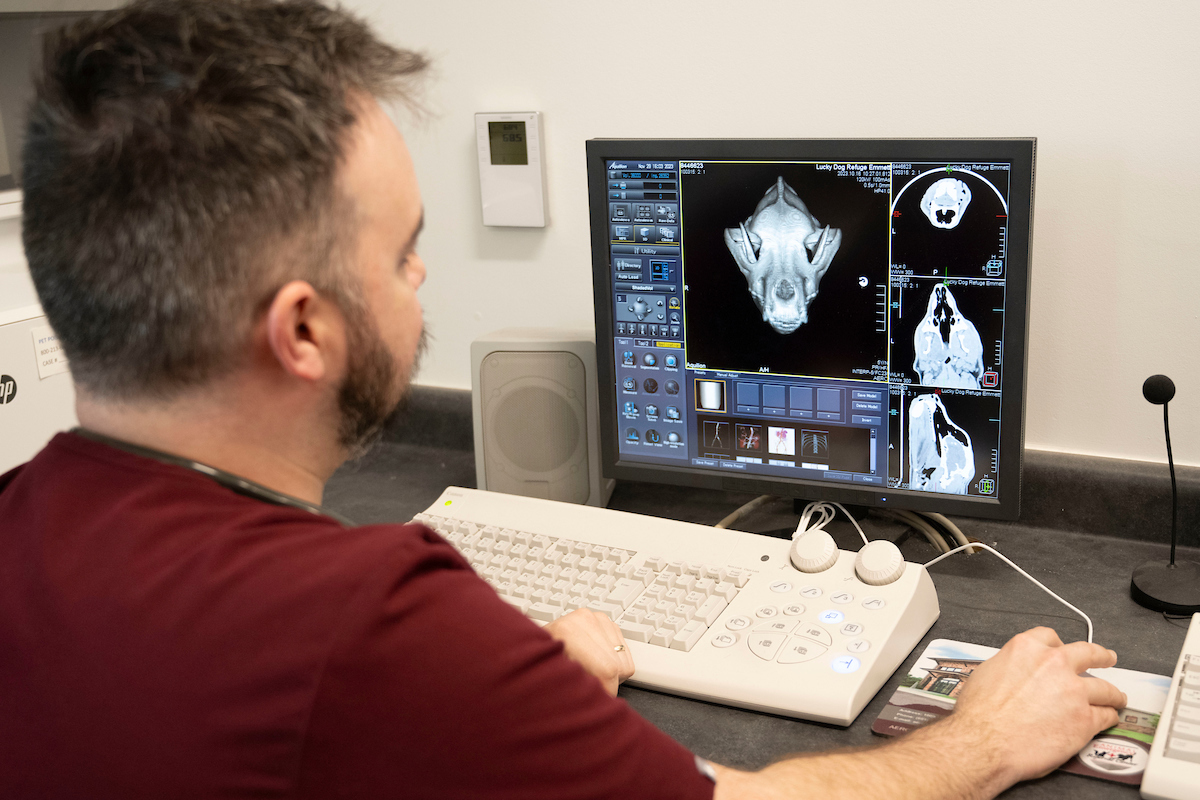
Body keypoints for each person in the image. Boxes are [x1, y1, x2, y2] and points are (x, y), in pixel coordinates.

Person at [0, 1, 1126, 798]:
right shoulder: (372, 622)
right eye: (404, 256)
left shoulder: (20, 521)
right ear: (304, 329)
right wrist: (975, 742)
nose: (425, 283)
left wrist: (495, 698)